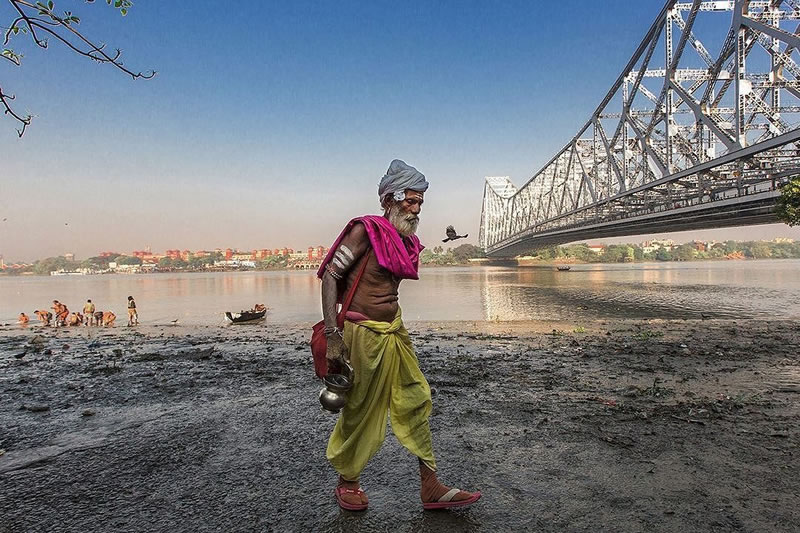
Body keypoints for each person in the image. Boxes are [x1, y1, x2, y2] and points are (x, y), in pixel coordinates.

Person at [318, 159, 481, 511]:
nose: (416, 207)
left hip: (395, 330)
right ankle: (348, 481)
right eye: (410, 200)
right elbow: (331, 275)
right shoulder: (365, 231)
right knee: (361, 407)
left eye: (420, 202)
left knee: (417, 397)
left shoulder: (404, 239)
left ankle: (430, 486)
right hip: (362, 332)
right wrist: (333, 335)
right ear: (390, 199)